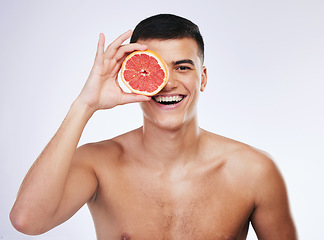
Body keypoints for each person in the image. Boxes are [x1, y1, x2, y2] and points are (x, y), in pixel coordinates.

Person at [10, 14, 297, 240]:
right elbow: (27, 221)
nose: (168, 82)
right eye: (154, 67)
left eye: (183, 67)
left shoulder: (254, 170)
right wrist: (84, 105)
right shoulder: (97, 164)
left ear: (203, 78)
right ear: (130, 75)